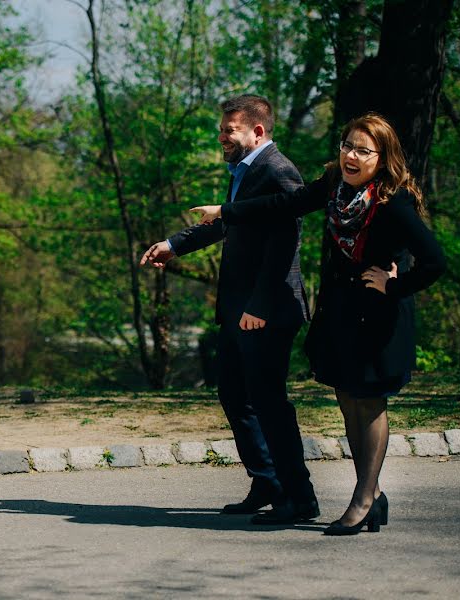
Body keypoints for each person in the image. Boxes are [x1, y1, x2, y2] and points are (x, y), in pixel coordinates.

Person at [191, 113, 445, 535]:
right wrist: (226, 211)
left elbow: (436, 261)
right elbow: (283, 204)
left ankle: (364, 497)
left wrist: (393, 284)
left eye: (363, 150)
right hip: (343, 313)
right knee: (348, 399)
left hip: (380, 316)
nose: (351, 155)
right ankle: (374, 495)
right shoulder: (335, 188)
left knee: (370, 401)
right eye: (347, 145)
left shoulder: (392, 200)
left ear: (381, 158)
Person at [141, 95, 319, 524]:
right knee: (236, 396)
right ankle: (267, 482)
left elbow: (286, 242)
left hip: (266, 309)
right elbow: (229, 221)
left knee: (268, 402)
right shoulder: (246, 169)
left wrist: (259, 304)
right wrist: (175, 244)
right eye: (222, 129)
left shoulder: (277, 170)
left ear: (257, 131)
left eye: (230, 129)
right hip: (240, 308)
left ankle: (300, 498)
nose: (222, 137)